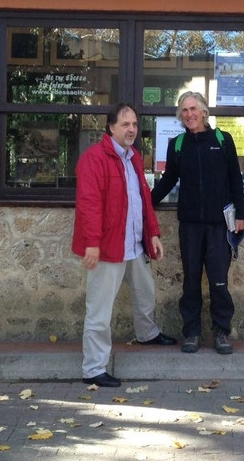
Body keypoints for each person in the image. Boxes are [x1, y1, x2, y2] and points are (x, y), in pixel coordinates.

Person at [72, 103, 177, 388]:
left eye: (134, 124)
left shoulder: (132, 158)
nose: (131, 129)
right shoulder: (94, 159)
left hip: (134, 244)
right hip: (107, 247)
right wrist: (92, 244)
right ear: (111, 127)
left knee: (145, 293)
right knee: (99, 310)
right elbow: (89, 205)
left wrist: (152, 233)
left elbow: (143, 198)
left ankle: (147, 334)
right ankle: (93, 368)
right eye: (125, 124)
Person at [151, 91, 244, 355]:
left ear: (204, 112)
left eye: (194, 109)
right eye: (184, 110)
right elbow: (169, 179)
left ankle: (221, 332)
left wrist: (241, 214)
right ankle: (192, 332)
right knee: (191, 280)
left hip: (219, 225)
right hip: (190, 225)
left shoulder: (223, 140)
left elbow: (235, 179)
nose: (189, 114)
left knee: (219, 280)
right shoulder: (178, 144)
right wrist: (146, 202)